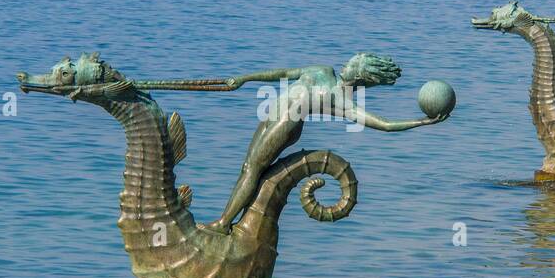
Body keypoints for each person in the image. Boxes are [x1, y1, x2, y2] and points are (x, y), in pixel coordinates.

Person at [128, 53, 445, 232]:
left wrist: (420, 122)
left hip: (287, 122)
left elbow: (384, 125)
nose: (349, 62)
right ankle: (230, 219)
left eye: (356, 63)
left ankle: (224, 223)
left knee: (253, 169)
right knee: (247, 167)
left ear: (362, 74)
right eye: (353, 59)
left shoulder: (342, 99)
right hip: (272, 114)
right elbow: (283, 72)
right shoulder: (323, 70)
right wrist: (245, 78)